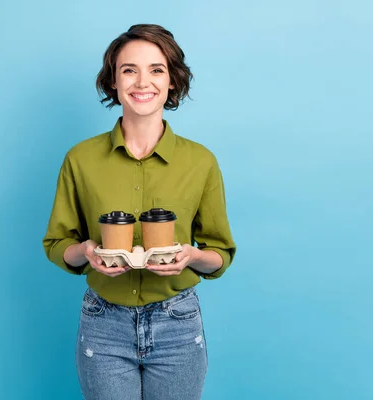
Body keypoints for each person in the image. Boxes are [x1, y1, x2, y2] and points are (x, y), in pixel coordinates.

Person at [42, 24, 236, 400]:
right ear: (113, 81)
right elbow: (57, 243)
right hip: (104, 323)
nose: (141, 81)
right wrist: (84, 252)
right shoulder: (80, 159)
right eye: (129, 69)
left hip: (177, 324)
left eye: (156, 69)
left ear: (172, 81)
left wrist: (193, 256)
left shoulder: (201, 162)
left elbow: (220, 255)